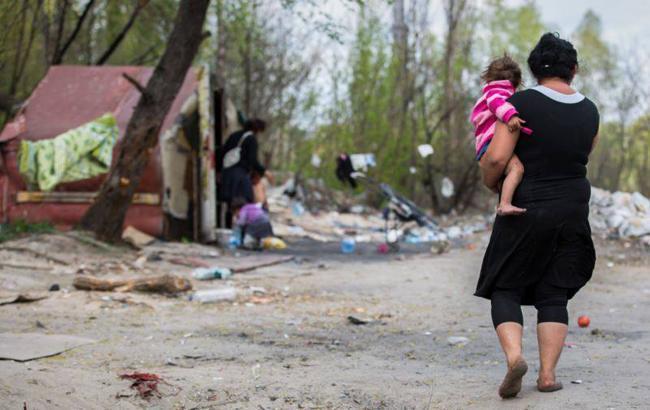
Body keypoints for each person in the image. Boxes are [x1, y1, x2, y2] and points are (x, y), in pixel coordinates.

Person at [476, 33, 599, 398]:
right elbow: (585, 153)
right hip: (573, 205)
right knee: (554, 293)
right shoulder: (590, 110)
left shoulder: (519, 103)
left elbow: (497, 158)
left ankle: (515, 357)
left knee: (505, 285)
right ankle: (547, 375)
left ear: (532, 70)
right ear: (573, 70)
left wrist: (490, 181)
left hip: (526, 205)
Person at [471, 55, 533, 215]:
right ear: (517, 81)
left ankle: (501, 195)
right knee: (517, 169)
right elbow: (496, 103)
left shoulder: (489, 91)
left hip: (484, 145)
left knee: (503, 176)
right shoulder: (497, 92)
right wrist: (510, 116)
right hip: (490, 142)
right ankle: (504, 204)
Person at [219, 118, 273, 226]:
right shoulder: (251, 139)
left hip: (228, 174)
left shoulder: (234, 135)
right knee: (244, 204)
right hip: (240, 176)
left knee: (231, 205)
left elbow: (222, 152)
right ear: (258, 130)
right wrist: (265, 172)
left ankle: (228, 229)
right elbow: (252, 160)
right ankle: (242, 230)